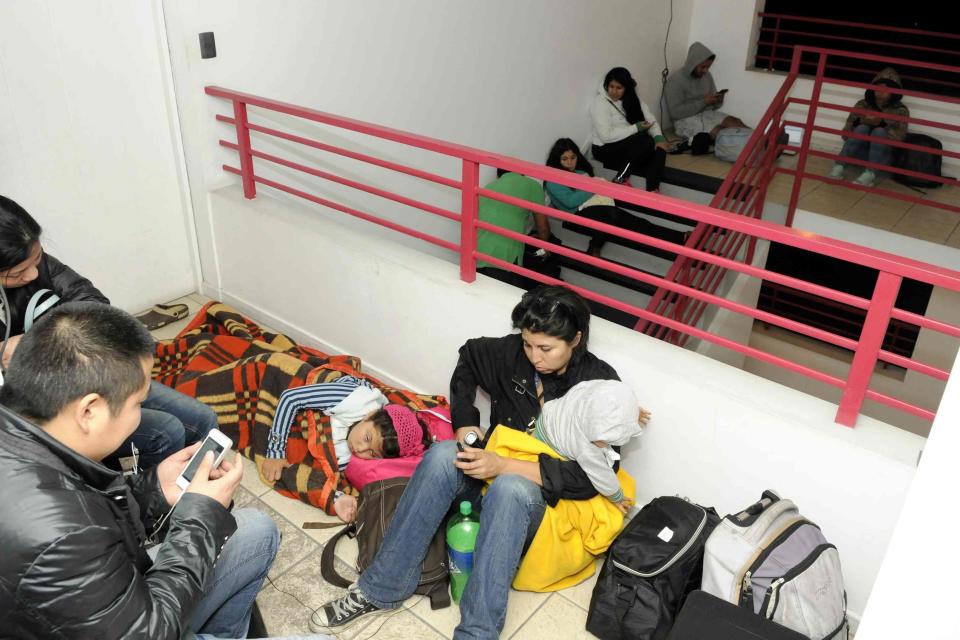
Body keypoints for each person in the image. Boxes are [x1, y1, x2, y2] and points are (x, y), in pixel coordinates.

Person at [0, 301, 331, 639]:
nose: (141, 415)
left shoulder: (25, 446)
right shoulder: (63, 533)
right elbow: (151, 633)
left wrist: (152, 488)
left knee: (257, 530)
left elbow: (90, 508)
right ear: (89, 411)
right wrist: (201, 515)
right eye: (138, 403)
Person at [314, 285, 621, 638]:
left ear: (576, 339)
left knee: (509, 489)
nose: (534, 356)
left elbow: (591, 478)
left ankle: (476, 633)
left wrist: (503, 466)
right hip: (492, 469)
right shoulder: (512, 354)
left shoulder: (600, 385)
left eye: (546, 349)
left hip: (549, 505)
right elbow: (470, 355)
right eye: (528, 344)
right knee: (445, 455)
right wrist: (464, 420)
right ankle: (381, 588)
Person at [0, 195, 217, 470]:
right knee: (166, 431)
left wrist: (43, 341)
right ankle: (151, 502)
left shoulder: (31, 260)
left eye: (38, 258)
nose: (32, 274)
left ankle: (197, 491)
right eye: (17, 272)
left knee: (202, 418)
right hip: (38, 408)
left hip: (84, 371)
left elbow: (92, 301)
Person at [260, 376, 452, 522]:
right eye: (367, 437)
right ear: (370, 415)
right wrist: (275, 451)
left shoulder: (352, 460)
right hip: (292, 389)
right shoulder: (355, 399)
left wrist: (338, 497)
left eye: (373, 453)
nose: (360, 449)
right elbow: (290, 396)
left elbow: (323, 476)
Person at [545, 138, 689, 257]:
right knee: (614, 216)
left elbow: (591, 192)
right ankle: (595, 246)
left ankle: (679, 237)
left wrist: (596, 186)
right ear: (557, 159)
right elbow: (570, 202)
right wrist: (595, 186)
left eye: (573, 158)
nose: (570, 162)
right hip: (576, 215)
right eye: (564, 159)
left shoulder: (580, 172)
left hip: (597, 210)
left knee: (639, 223)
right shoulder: (552, 180)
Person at [532, 379, 645, 511]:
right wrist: (616, 496)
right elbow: (600, 474)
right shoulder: (586, 447)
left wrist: (633, 413)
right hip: (549, 441)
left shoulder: (590, 393)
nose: (604, 444)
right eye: (604, 439)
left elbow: (614, 402)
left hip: (549, 416)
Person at [590, 67, 670, 192]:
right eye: (611, 86)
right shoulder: (600, 103)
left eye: (619, 88)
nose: (614, 92)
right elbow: (606, 136)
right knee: (645, 141)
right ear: (606, 85)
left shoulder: (633, 99)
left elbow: (650, 120)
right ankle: (620, 178)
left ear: (626, 88)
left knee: (659, 148)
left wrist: (659, 137)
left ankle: (653, 191)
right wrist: (636, 128)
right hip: (604, 148)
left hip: (629, 144)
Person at [828, 67, 909, 188]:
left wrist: (882, 125)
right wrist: (861, 122)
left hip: (883, 157)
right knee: (862, 129)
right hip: (859, 154)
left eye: (886, 88)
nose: (880, 91)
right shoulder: (863, 104)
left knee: (879, 132)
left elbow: (899, 138)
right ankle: (838, 167)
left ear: (893, 91)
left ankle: (869, 174)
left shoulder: (900, 110)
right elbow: (845, 134)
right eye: (878, 86)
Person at [475, 169, 552, 290]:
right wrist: (544, 247)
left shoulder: (488, 187)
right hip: (504, 258)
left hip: (476, 254)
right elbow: (543, 228)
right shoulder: (531, 185)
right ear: (522, 173)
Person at [665, 42, 748, 149]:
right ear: (692, 63)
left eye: (708, 67)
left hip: (706, 114)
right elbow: (675, 113)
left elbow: (714, 106)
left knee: (734, 121)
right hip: (685, 120)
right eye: (703, 67)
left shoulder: (707, 76)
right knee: (721, 132)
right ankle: (754, 148)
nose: (705, 70)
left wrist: (717, 100)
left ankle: (764, 140)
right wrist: (703, 102)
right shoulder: (675, 81)